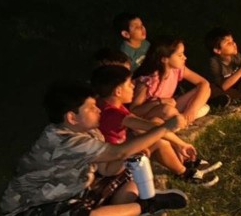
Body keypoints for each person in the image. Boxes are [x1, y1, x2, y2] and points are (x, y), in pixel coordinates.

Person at [1, 81, 189, 216]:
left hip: (74, 193)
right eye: (91, 108)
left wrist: (128, 156)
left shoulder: (91, 132)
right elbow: (119, 151)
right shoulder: (63, 141)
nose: (98, 110)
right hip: (31, 210)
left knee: (129, 173)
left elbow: (107, 170)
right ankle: (146, 206)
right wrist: (164, 128)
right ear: (72, 118)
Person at [92, 64, 221, 187]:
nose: (133, 86)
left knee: (153, 129)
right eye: (129, 84)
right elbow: (151, 127)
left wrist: (179, 143)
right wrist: (180, 143)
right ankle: (184, 173)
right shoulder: (113, 113)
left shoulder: (110, 105)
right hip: (110, 164)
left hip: (116, 151)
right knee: (158, 141)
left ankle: (185, 161)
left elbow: (147, 127)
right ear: (118, 91)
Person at [131, 36, 213, 124]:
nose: (185, 57)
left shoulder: (177, 69)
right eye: (180, 55)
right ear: (164, 59)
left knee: (206, 90)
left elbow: (203, 83)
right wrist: (160, 102)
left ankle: (183, 118)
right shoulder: (148, 80)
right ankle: (179, 121)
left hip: (171, 105)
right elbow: (134, 110)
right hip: (152, 113)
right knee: (167, 111)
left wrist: (191, 109)